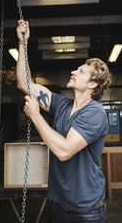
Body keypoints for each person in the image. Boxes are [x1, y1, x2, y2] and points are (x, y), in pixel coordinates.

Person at [16, 20, 111, 223]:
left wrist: (35, 116)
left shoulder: (95, 113)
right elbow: (25, 84)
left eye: (81, 72)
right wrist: (23, 43)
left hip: (87, 211)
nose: (73, 72)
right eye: (77, 69)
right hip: (61, 205)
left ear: (93, 84)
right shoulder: (61, 105)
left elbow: (64, 151)